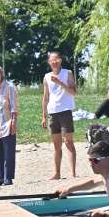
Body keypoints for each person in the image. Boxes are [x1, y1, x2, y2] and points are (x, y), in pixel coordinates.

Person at [42, 51, 77, 180]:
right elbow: (45, 97)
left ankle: (73, 173)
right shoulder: (46, 76)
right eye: (52, 60)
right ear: (49, 62)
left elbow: (73, 92)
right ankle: (57, 173)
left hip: (65, 110)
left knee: (68, 142)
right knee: (57, 146)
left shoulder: (67, 73)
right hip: (53, 113)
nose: (54, 62)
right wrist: (44, 116)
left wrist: (60, 83)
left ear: (60, 60)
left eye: (56, 59)